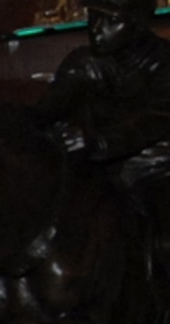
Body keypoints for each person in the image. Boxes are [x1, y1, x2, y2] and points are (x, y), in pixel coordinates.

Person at [39, 0, 170, 228]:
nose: (96, 28)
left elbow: (152, 121)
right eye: (93, 16)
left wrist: (96, 142)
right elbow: (40, 115)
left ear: (138, 24)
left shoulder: (164, 62)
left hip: (155, 175)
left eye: (112, 21)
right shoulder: (84, 63)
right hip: (96, 177)